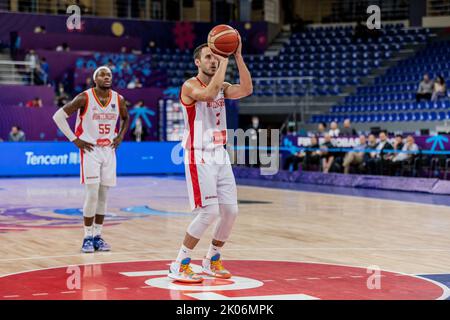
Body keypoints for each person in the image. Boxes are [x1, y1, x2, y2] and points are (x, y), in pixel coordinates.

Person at [168, 36, 253, 283]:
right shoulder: (189, 86)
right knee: (209, 212)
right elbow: (208, 94)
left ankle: (211, 259)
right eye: (209, 56)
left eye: (216, 57)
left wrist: (237, 55)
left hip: (220, 154)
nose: (214, 61)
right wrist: (224, 58)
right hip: (199, 154)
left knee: (231, 212)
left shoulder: (222, 85)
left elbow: (247, 89)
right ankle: (179, 264)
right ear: (197, 62)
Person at [52, 66, 130, 253]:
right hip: (90, 150)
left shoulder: (118, 99)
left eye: (109, 75)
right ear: (95, 79)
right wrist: (74, 139)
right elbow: (58, 116)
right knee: (92, 193)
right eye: (102, 75)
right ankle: (87, 236)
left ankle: (98, 236)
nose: (106, 77)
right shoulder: (84, 97)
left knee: (104, 196)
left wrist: (120, 136)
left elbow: (126, 118)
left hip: (108, 150)